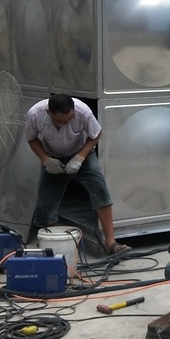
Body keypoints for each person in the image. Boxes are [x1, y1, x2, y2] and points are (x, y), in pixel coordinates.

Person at [26, 93, 128, 255]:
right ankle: (54, 242)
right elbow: (31, 138)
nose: (65, 123)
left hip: (81, 154)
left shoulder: (83, 112)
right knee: (45, 205)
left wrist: (80, 157)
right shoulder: (35, 114)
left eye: (69, 120)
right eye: (60, 121)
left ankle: (111, 243)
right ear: (49, 112)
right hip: (53, 157)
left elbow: (95, 134)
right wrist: (46, 160)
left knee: (99, 190)